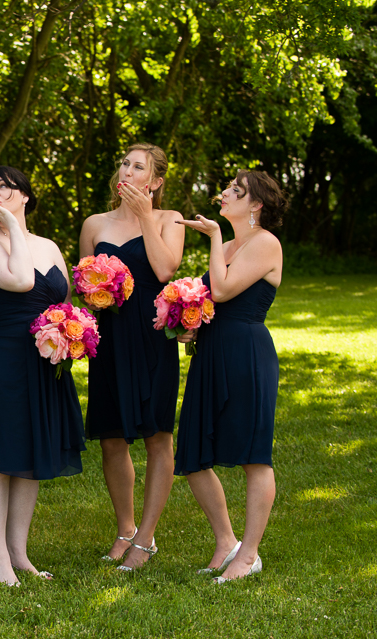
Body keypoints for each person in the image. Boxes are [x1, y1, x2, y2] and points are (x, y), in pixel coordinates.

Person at [0, 167, 86, 586]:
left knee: (30, 455)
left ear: (25, 195)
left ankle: (19, 552)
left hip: (44, 360)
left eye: (3, 187)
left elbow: (64, 300)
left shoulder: (49, 245)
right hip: (3, 357)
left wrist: (73, 331)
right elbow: (22, 279)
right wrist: (12, 225)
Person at [174, 170, 285, 583]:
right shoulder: (234, 243)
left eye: (235, 192)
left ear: (255, 204)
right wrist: (190, 325)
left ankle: (249, 554)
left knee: (254, 455)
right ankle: (226, 542)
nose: (224, 193)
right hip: (211, 353)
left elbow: (220, 291)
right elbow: (211, 302)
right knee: (193, 452)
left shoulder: (265, 243)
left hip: (246, 355)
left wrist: (215, 236)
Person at [78, 143, 185, 571]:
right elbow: (82, 280)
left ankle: (145, 538)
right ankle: (125, 529)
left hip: (151, 332)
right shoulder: (94, 223)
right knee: (111, 436)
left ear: (154, 182)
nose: (127, 169)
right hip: (110, 334)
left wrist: (145, 218)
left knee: (158, 434)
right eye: (124, 162)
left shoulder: (168, 219)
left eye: (138, 166)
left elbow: (164, 271)